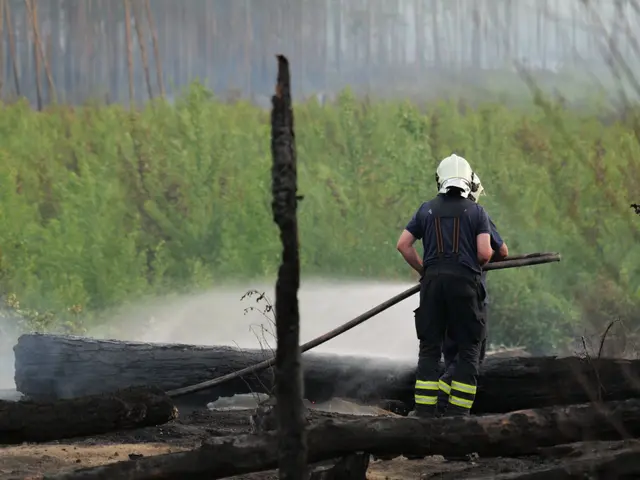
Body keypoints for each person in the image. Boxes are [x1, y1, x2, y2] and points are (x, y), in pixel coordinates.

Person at [396, 153, 493, 418]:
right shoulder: (476, 211)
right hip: (465, 286)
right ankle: (457, 418)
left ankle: (424, 416)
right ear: (468, 181)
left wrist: (425, 270)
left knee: (429, 349)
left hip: (432, 287)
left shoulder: (425, 209)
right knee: (469, 347)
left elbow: (403, 245)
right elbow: (485, 254)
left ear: (440, 179)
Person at [438, 175, 508, 415]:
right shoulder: (478, 214)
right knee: (472, 355)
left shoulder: (436, 214)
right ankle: (452, 411)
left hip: (441, 297)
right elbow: (500, 251)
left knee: (452, 355)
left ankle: (442, 412)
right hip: (471, 298)